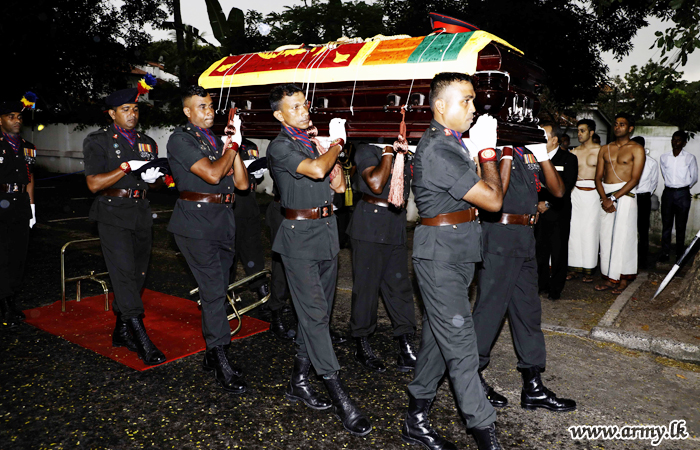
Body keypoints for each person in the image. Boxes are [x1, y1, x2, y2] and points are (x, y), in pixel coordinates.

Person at [405, 72, 504, 450]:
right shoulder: (439, 150)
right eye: (466, 100)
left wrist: (480, 152)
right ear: (441, 106)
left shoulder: (450, 143)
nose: (474, 108)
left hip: (457, 251)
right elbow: (493, 200)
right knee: (462, 346)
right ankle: (486, 437)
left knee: (438, 335)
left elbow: (483, 197)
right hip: (441, 255)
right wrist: (488, 152)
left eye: (473, 100)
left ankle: (415, 417)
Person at [267, 84, 372, 437]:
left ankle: (298, 379)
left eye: (305, 105)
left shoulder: (312, 142)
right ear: (280, 115)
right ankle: (339, 394)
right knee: (313, 315)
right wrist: (338, 145)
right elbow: (313, 171)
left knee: (318, 316)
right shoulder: (281, 146)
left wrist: (335, 156)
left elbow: (338, 187)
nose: (303, 111)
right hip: (298, 238)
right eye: (294, 107)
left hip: (326, 233)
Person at [473, 122, 576, 419]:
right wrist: (505, 150)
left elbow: (558, 191)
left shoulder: (531, 154)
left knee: (528, 312)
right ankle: (471, 378)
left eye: (542, 134)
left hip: (525, 238)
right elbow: (495, 197)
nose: (538, 137)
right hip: (500, 236)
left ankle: (533, 386)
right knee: (490, 311)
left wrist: (542, 154)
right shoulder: (493, 151)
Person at [167, 85, 249, 392]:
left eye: (211, 106)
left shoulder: (216, 140)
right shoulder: (181, 139)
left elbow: (240, 184)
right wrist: (230, 148)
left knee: (217, 288)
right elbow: (214, 175)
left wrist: (233, 143)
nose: (209, 111)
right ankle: (220, 357)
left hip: (222, 222)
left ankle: (211, 354)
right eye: (201, 107)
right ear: (188, 112)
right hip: (195, 224)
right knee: (214, 290)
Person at [82, 84, 166, 365]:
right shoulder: (98, 140)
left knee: (138, 274)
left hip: (141, 213)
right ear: (112, 113)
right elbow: (93, 184)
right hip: (112, 214)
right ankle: (141, 337)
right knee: (123, 274)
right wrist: (123, 167)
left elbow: (151, 183)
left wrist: (155, 180)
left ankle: (120, 330)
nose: (132, 114)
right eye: (125, 109)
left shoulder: (147, 142)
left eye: (135, 109)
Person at [346, 138, 417, 374]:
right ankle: (361, 341)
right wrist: (388, 149)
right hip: (370, 224)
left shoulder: (404, 153)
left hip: (394, 224)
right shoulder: (367, 149)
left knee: (400, 288)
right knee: (366, 289)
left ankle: (406, 345)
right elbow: (376, 183)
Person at [231, 138, 293, 340]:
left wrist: (255, 176)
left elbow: (254, 180)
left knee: (253, 252)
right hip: (229, 203)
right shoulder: (221, 143)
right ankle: (224, 299)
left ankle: (263, 298)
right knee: (229, 256)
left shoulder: (249, 146)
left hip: (248, 203)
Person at [594, 113, 645, 294]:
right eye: (615, 124)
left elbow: (635, 179)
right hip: (606, 198)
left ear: (630, 128)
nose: (617, 127)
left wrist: (613, 198)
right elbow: (597, 177)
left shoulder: (636, 149)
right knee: (606, 238)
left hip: (625, 196)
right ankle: (609, 277)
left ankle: (623, 278)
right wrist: (604, 199)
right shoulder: (604, 149)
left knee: (624, 237)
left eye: (622, 124)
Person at [0, 98, 37, 327]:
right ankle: (4, 302)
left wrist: (32, 207)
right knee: (2, 254)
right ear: (0, 119)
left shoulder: (28, 146)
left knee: (17, 256)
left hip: (21, 203)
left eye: (19, 116)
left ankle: (10, 297)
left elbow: (30, 178)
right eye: (11, 116)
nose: (16, 120)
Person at [535, 124, 578, 300]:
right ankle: (541, 284)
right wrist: (536, 203)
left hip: (558, 212)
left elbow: (566, 186)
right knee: (539, 250)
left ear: (554, 140)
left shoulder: (568, 159)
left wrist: (548, 203)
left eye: (543, 135)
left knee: (558, 251)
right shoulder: (533, 158)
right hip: (537, 211)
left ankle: (556, 289)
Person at [567, 119, 602, 282]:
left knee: (590, 230)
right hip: (575, 192)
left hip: (594, 193)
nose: (579, 134)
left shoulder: (601, 151)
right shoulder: (573, 152)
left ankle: (589, 269)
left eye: (582, 131)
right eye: (578, 131)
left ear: (591, 132)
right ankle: (573, 267)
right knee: (574, 230)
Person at [659, 130, 697, 262]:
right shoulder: (664, 157)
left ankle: (680, 254)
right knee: (666, 225)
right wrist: (672, 185)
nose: (675, 142)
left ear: (684, 143)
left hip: (683, 194)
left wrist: (683, 187)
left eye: (679, 140)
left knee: (681, 225)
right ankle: (665, 253)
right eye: (673, 140)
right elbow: (664, 173)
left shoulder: (689, 158)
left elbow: (694, 177)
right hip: (668, 193)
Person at [631, 136, 658, 269]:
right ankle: (629, 258)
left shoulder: (652, 163)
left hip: (643, 198)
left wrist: (645, 194)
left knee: (643, 229)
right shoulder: (628, 161)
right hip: (629, 197)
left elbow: (654, 183)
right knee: (628, 228)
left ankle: (643, 260)